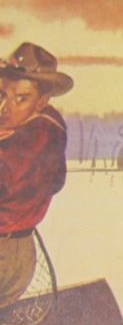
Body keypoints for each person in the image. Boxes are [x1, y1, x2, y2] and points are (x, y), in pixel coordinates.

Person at [0, 42, 72, 308]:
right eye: (1, 95)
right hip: (20, 249)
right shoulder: (46, 126)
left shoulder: (31, 139)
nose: (5, 108)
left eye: (21, 98)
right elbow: (57, 182)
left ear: (42, 101)